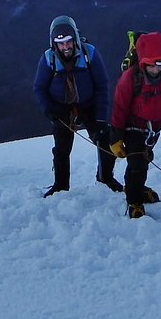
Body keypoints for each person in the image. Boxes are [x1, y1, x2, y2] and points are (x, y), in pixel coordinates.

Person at [32, 15, 122, 196]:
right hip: (61, 108)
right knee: (62, 149)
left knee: (105, 140)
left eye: (68, 41)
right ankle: (60, 186)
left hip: (89, 104)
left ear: (75, 39)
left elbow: (102, 85)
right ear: (54, 43)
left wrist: (101, 117)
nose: (65, 47)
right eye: (60, 43)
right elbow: (39, 88)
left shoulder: (90, 54)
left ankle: (105, 178)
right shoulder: (48, 59)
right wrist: (50, 109)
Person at [109, 32, 161, 218]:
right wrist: (116, 137)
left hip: (154, 129)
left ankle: (135, 188)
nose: (156, 69)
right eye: (152, 64)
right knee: (137, 163)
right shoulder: (130, 78)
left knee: (143, 161)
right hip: (133, 126)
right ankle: (134, 202)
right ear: (143, 62)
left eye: (160, 63)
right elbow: (119, 108)